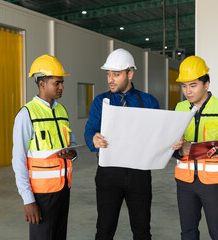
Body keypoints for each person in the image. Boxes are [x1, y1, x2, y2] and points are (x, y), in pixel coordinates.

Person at [84, 48, 160, 240]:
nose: (111, 79)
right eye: (108, 74)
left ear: (130, 73)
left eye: (116, 74)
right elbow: (89, 130)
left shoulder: (149, 102)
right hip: (109, 174)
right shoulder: (101, 101)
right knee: (104, 230)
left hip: (139, 174)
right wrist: (93, 138)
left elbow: (158, 134)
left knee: (142, 231)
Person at [172, 56, 218, 240]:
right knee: (188, 233)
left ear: (206, 84)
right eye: (184, 86)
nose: (187, 91)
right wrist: (179, 150)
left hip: (214, 184)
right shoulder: (179, 109)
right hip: (185, 183)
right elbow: (170, 147)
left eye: (193, 85)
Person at [12, 54, 77, 240]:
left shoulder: (62, 110)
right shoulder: (26, 114)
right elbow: (18, 159)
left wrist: (73, 153)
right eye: (57, 83)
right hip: (41, 195)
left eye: (62, 83)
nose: (61, 87)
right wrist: (28, 200)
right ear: (42, 84)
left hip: (63, 188)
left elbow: (71, 143)